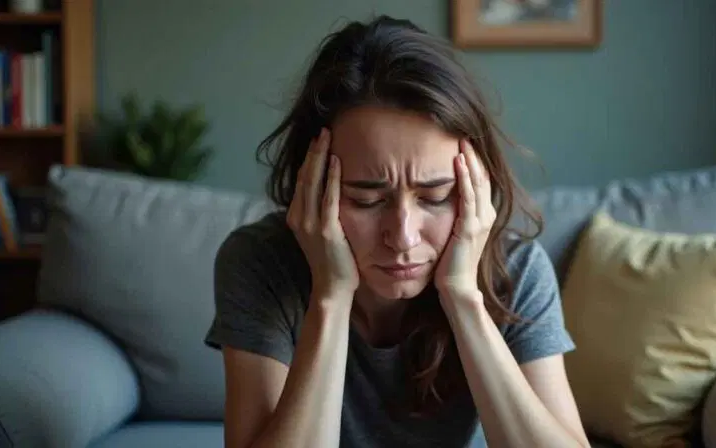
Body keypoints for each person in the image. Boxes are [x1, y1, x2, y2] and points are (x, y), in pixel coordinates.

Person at [204, 14, 590, 448]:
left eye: (435, 196)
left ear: (475, 188)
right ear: (312, 186)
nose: (404, 237)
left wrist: (463, 299)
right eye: (366, 200)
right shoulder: (260, 262)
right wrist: (331, 297)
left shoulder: (516, 270)